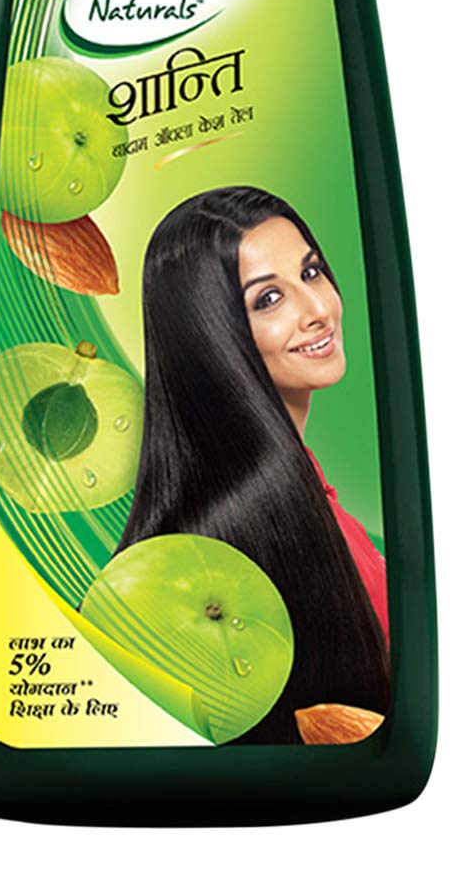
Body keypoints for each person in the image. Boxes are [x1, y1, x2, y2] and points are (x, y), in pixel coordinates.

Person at [117, 186, 389, 743]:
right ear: (208, 333)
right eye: (269, 299)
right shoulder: (233, 545)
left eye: (311, 272)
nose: (318, 310)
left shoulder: (306, 492)